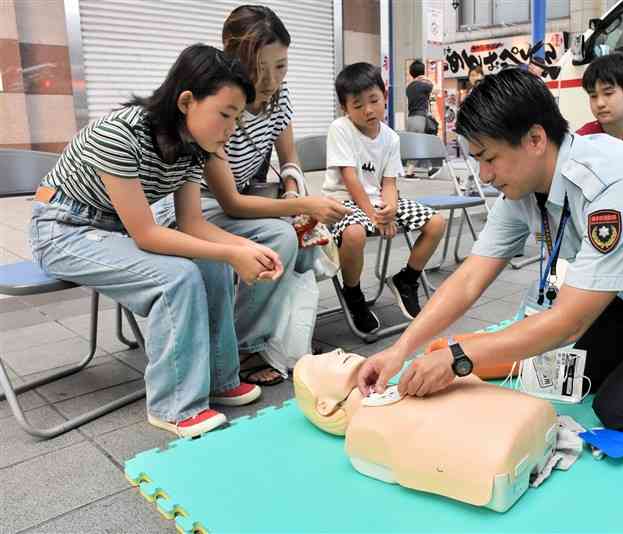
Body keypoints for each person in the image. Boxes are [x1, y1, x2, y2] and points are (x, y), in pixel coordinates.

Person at [357, 69, 623, 438]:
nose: (485, 176)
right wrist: (401, 351)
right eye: (476, 161)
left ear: (535, 139)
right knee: (574, 377)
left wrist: (457, 359)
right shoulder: (521, 189)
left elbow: (567, 320)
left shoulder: (613, 187)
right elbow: (471, 277)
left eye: (489, 159)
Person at [29, 44, 276, 437]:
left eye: (237, 120)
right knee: (175, 276)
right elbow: (146, 234)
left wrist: (244, 250)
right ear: (186, 101)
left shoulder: (195, 147)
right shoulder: (120, 133)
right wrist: (233, 250)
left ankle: (219, 379)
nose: (230, 131)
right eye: (225, 116)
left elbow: (192, 223)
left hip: (111, 229)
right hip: (62, 229)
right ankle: (174, 405)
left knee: (212, 263)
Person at [153, 5, 350, 386]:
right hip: (196, 206)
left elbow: (289, 157)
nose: (271, 80)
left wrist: (294, 189)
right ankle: (240, 347)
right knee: (279, 238)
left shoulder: (278, 96)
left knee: (298, 237)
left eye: (281, 66)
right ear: (233, 56)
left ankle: (278, 339)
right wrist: (303, 204)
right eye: (260, 68)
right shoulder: (223, 101)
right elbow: (229, 202)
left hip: (240, 201)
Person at [293, 349, 557, 512]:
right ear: (324, 406)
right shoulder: (363, 431)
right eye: (325, 359)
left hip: (521, 426)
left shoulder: (402, 387)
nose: (336, 350)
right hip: (505, 447)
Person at [323, 62, 446, 333]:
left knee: (436, 223)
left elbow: (389, 182)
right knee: (354, 234)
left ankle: (407, 279)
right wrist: (374, 215)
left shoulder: (390, 137)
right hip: (342, 202)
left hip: (376, 201)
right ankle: (353, 294)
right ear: (345, 108)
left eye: (374, 100)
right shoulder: (340, 129)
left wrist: (388, 209)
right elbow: (350, 179)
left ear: (385, 96)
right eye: (357, 105)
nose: (368, 110)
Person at [404, 59, 436, 176]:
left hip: (410, 118)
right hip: (420, 117)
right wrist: (426, 79)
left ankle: (430, 168)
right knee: (421, 143)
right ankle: (410, 171)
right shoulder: (424, 85)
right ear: (423, 71)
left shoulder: (409, 87)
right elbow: (434, 88)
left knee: (417, 143)